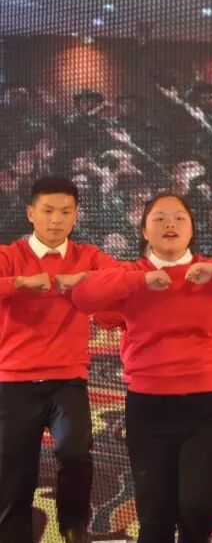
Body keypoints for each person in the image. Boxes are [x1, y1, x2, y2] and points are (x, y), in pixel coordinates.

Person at [70, 193, 212, 543]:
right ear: (144, 230)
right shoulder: (130, 275)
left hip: (207, 406)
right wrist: (140, 281)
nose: (170, 223)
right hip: (149, 408)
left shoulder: (209, 271)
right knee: (155, 516)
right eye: (160, 218)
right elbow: (83, 297)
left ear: (192, 229)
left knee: (199, 509)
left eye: (180, 217)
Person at [0, 176, 119, 543]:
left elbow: (123, 278)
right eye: (48, 211)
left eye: (66, 212)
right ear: (30, 213)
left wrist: (86, 279)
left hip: (68, 378)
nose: (56, 219)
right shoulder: (9, 256)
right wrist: (19, 283)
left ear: (76, 216)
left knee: (75, 452)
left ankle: (73, 527)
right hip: (14, 380)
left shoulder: (88, 256)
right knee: (14, 470)